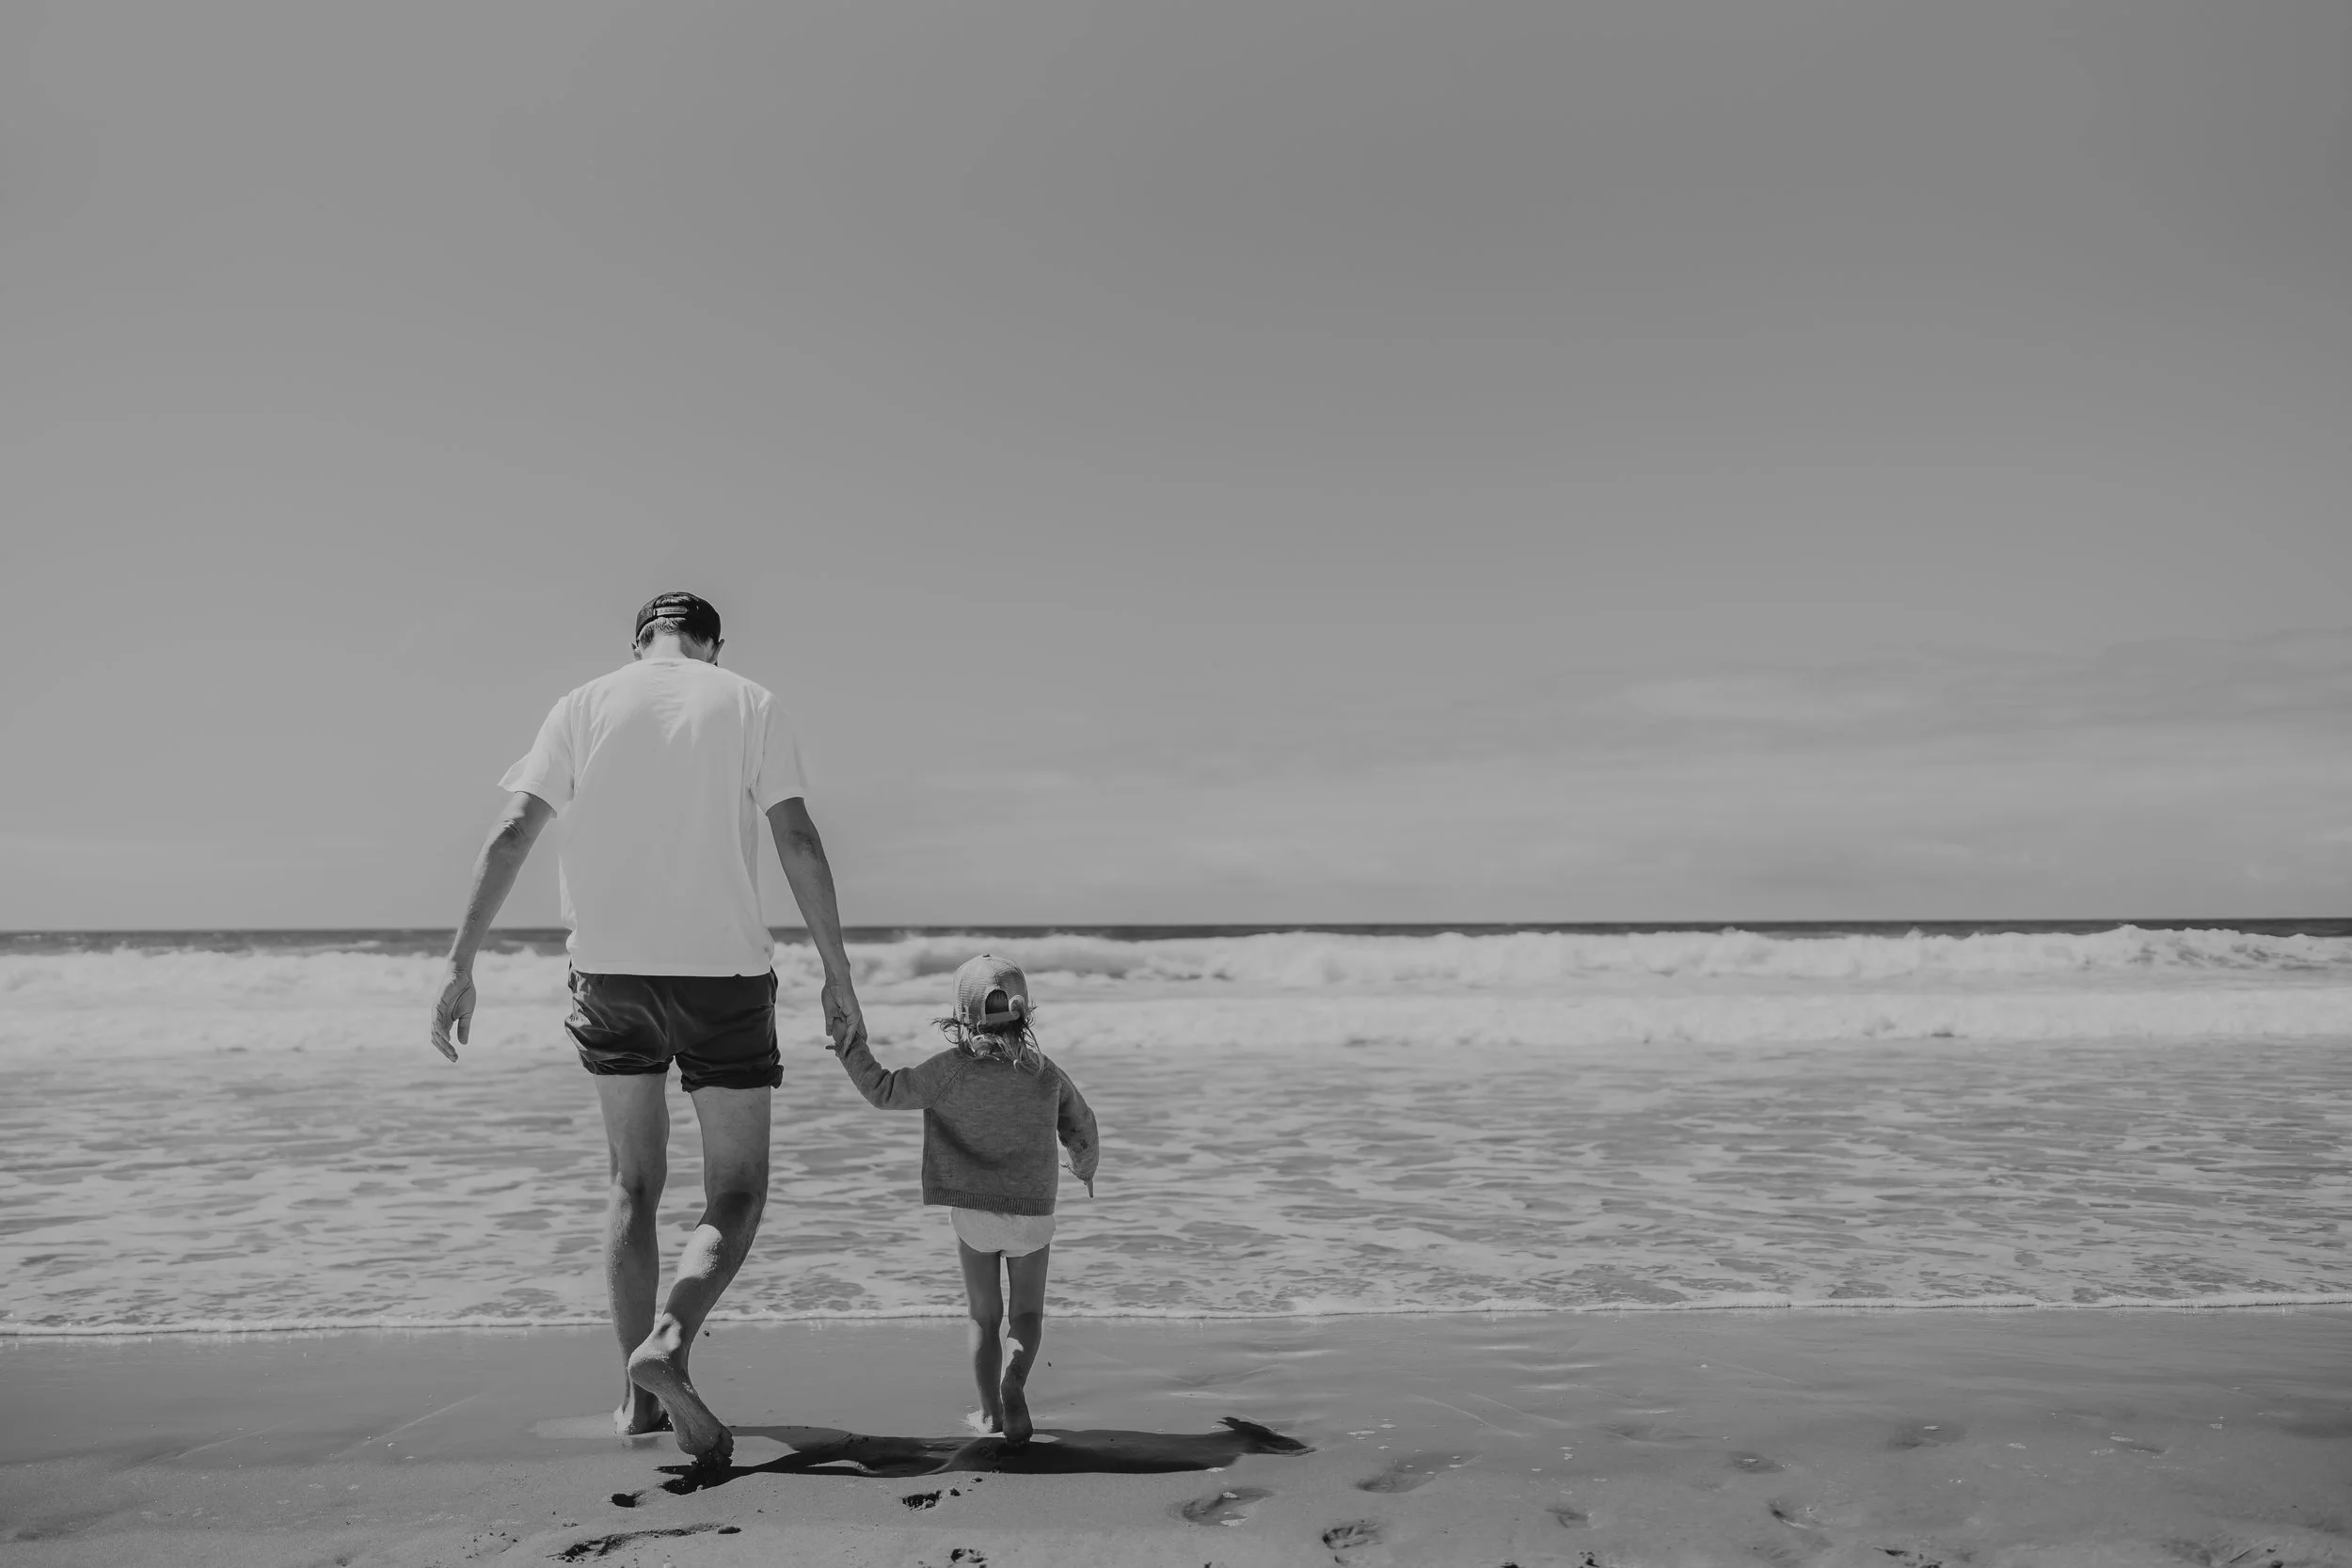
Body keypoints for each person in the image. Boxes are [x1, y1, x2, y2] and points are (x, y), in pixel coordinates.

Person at [428, 592, 865, 1467]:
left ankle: (635, 1405)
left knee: (633, 1183)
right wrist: (837, 972)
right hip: (726, 975)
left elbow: (515, 827)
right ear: (711, 644)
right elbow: (799, 839)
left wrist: (458, 962)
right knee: (736, 1188)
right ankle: (668, 1338)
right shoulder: (749, 699)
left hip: (611, 973)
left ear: (638, 643)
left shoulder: (581, 703)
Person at [828, 954, 1098, 1444]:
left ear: (961, 1013)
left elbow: (884, 1091)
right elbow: (1081, 1124)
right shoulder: (1044, 1071)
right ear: (1025, 1011)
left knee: (983, 1315)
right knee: (1028, 1315)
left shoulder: (949, 1070)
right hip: (1032, 1214)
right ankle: (1015, 1381)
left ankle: (991, 1414)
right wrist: (1084, 1168)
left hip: (974, 1213)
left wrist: (851, 1047)